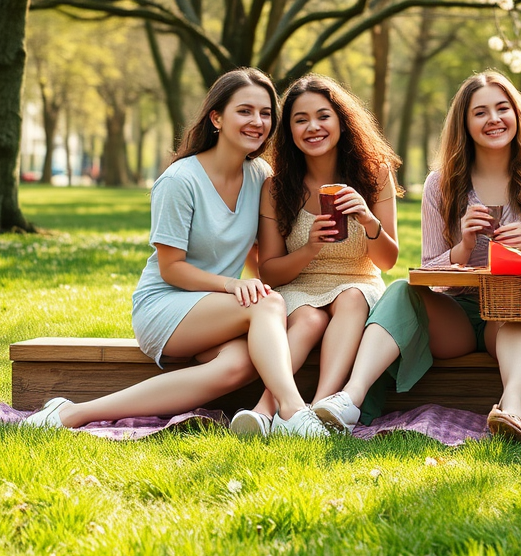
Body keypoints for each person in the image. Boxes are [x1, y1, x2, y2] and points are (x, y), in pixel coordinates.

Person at [24, 68, 327, 437]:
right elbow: (171, 269)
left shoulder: (260, 175)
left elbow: (254, 255)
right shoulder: (180, 180)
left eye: (265, 113)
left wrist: (292, 265)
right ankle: (293, 411)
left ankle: (73, 413)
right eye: (244, 111)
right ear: (216, 117)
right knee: (267, 305)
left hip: (215, 309)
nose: (257, 122)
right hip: (166, 304)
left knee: (237, 366)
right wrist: (234, 286)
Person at [309, 71, 521, 441]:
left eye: (502, 108)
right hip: (458, 315)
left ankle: (513, 407)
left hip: (519, 317)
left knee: (514, 308)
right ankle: (350, 398)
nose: (493, 119)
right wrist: (461, 249)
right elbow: (428, 273)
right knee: (399, 291)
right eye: (480, 112)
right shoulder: (441, 183)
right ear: (465, 124)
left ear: (518, 115)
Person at [228, 75, 401, 436]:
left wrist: (368, 220)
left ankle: (319, 409)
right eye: (300, 119)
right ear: (288, 129)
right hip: (299, 287)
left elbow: (387, 262)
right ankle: (264, 410)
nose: (313, 127)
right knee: (307, 319)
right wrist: (310, 248)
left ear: (341, 120)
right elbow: (270, 274)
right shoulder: (277, 186)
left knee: (352, 299)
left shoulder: (375, 174)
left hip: (359, 281)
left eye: (323, 116)